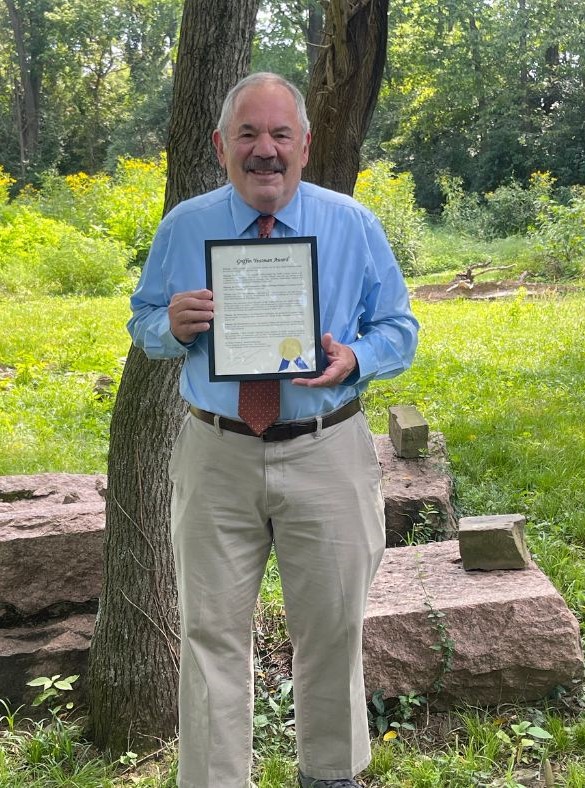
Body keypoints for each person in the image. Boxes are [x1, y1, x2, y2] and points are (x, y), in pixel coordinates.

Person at [128, 72, 419, 788]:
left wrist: (357, 356)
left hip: (327, 450)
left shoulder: (351, 224)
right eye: (249, 135)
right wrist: (167, 326)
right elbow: (142, 321)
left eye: (280, 134)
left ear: (305, 144)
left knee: (331, 628)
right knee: (209, 634)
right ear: (220, 144)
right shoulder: (185, 227)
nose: (265, 150)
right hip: (215, 453)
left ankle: (329, 775)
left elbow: (399, 329)